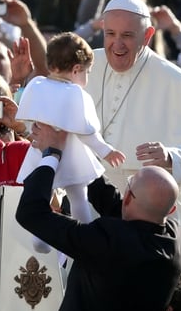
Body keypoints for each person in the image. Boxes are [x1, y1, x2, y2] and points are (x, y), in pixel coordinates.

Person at [16, 120, 181, 311]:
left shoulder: (108, 241)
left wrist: (51, 155)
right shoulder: (175, 237)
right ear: (170, 211)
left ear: (128, 198)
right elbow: (117, 205)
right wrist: (79, 153)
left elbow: (31, 213)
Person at [84, 0, 181, 230]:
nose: (117, 44)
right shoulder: (85, 68)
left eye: (128, 36)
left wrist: (172, 158)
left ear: (148, 35)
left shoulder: (177, 82)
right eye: (110, 34)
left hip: (158, 212)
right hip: (94, 203)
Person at [16, 32, 125, 223]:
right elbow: (87, 132)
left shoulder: (36, 84)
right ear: (76, 69)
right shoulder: (76, 93)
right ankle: (82, 232)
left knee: (42, 194)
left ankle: (38, 238)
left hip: (41, 152)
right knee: (78, 196)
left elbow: (24, 112)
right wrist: (107, 151)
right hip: (72, 154)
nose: (86, 77)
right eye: (87, 72)